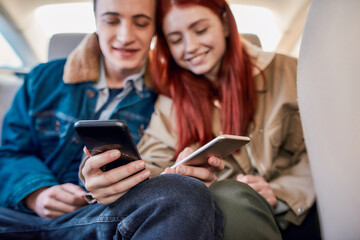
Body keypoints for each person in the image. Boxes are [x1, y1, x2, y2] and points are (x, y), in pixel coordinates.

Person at [0, 0, 224, 239]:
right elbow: (10, 152)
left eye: (141, 23)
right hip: (18, 217)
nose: (126, 36)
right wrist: (37, 192)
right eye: (111, 21)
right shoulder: (43, 79)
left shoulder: (172, 94)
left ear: (154, 30)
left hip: (103, 220)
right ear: (96, 20)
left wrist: (180, 171)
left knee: (185, 194)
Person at [137, 0, 318, 239]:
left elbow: (320, 154)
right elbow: (150, 163)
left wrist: (279, 193)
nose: (190, 46)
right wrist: (175, 178)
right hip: (225, 220)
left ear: (224, 24)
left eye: (200, 30)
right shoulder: (170, 101)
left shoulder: (290, 72)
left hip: (297, 212)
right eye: (176, 39)